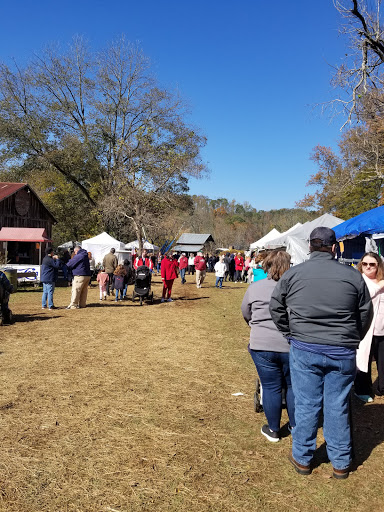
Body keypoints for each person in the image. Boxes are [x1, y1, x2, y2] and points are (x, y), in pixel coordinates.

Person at [269, 227, 373, 479]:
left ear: (309, 247)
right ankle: (341, 461)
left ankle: (303, 458)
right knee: (337, 405)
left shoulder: (294, 274)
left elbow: (276, 307)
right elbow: (365, 314)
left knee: (307, 403)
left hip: (305, 348)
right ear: (334, 247)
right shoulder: (352, 276)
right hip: (341, 350)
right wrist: (351, 338)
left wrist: (290, 333)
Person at [241, 250, 295, 442]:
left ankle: (273, 429)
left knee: (270, 386)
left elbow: (245, 312)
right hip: (290, 344)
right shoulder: (295, 288)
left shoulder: (256, 287)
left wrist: (255, 325)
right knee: (291, 386)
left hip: (262, 344)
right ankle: (295, 425)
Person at [354, 252, 384, 402]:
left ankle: (381, 388)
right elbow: (364, 295)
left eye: (372, 264)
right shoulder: (360, 280)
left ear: (378, 266)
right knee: (363, 362)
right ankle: (361, 390)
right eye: (365, 264)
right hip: (365, 330)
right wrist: (380, 285)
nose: (368, 267)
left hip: (382, 330)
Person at [66, 245, 92, 309]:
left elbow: (69, 264)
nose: (74, 253)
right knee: (84, 291)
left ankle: (73, 305)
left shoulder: (79, 256)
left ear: (76, 251)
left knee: (76, 290)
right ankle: (82, 304)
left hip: (80, 275)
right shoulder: (85, 255)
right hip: (87, 275)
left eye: (74, 252)